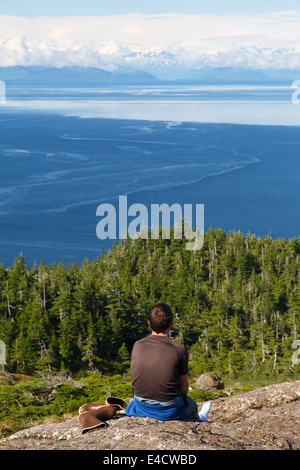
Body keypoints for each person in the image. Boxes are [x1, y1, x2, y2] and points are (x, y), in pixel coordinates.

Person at [125, 303, 211, 422]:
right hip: (169, 410)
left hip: (141, 406)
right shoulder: (179, 349)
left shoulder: (138, 345)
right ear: (171, 324)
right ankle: (200, 418)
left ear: (149, 323)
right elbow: (184, 388)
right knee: (191, 404)